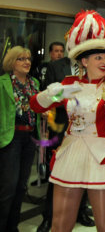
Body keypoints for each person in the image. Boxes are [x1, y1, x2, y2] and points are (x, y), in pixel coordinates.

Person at [30, 10, 105, 232]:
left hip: (103, 156)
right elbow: (36, 105)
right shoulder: (68, 82)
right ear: (84, 61)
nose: (104, 62)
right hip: (71, 153)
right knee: (60, 225)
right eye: (98, 58)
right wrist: (52, 93)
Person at [36, 50, 95, 232]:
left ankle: (81, 211)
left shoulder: (92, 64)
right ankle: (49, 216)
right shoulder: (55, 66)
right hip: (61, 126)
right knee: (57, 173)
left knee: (83, 171)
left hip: (86, 128)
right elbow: (49, 95)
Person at [0, 46, 42, 232]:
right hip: (11, 137)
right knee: (8, 187)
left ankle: (12, 226)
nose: (26, 62)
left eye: (28, 58)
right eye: (21, 59)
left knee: (21, 187)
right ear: (11, 62)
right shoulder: (2, 83)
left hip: (29, 137)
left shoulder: (35, 83)